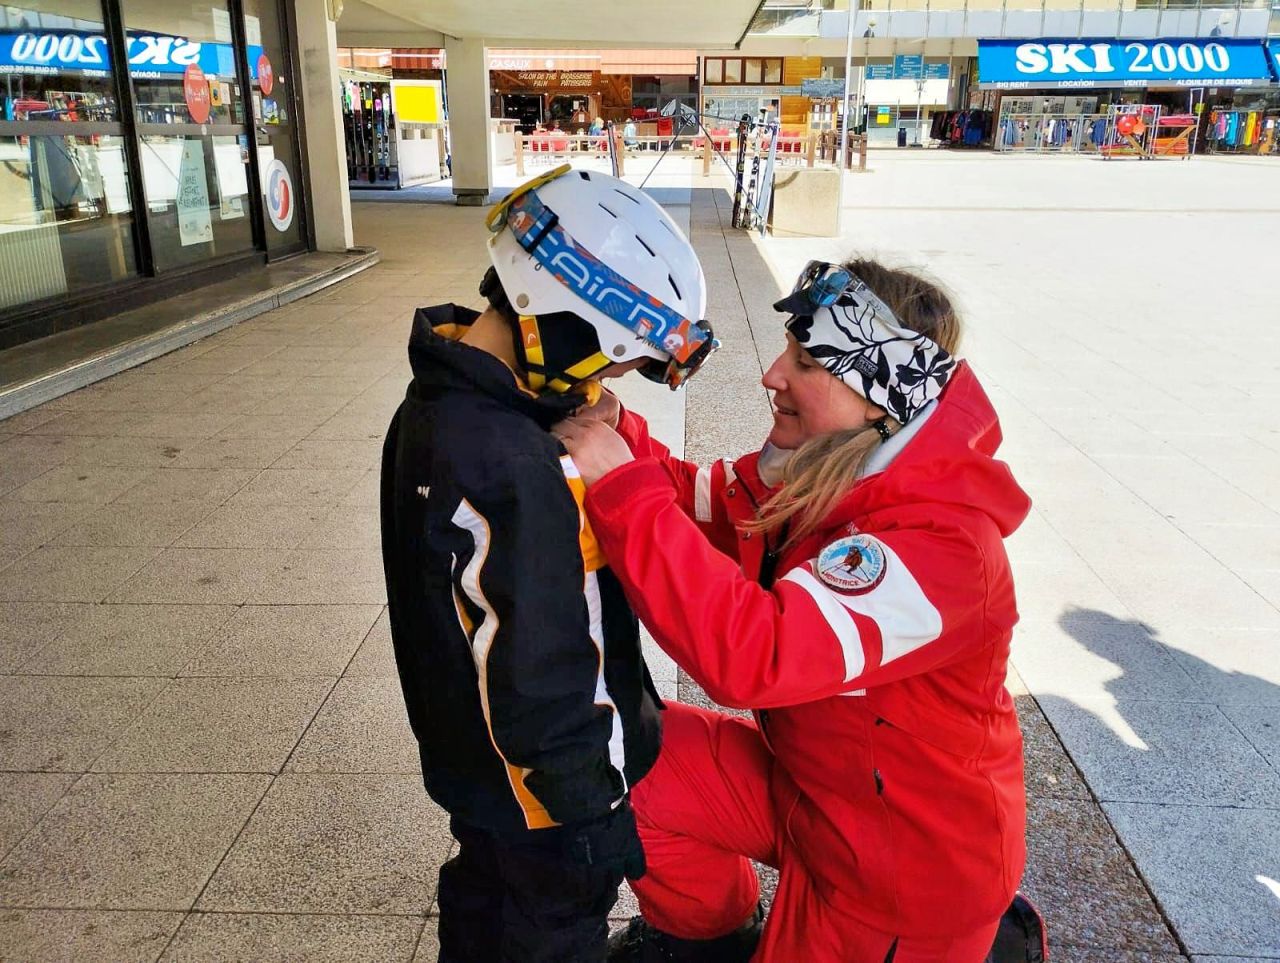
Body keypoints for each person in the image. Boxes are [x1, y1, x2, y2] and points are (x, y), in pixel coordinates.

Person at [554, 259, 1033, 962]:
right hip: (818, 794)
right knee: (630, 755)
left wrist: (621, 487)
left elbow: (754, 655)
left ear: (875, 396)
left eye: (806, 362)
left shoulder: (944, 545)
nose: (772, 375)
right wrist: (623, 434)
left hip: (899, 876)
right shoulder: (833, 463)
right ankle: (710, 938)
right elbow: (709, 503)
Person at [380, 165, 717, 962]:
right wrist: (594, 805)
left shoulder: (437, 402)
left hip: (476, 764)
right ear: (561, 324)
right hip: (550, 798)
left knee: (484, 902)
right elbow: (547, 659)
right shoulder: (517, 466)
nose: (608, 383)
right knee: (547, 933)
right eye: (610, 361)